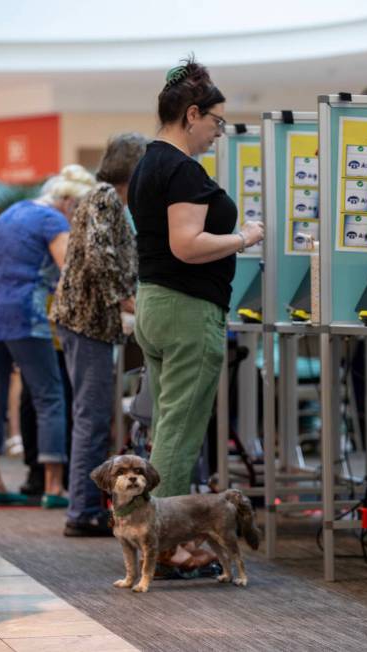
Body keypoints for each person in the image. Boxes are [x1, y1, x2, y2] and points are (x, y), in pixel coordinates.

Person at [128, 57, 264, 570]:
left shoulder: (147, 163)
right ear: (191, 114)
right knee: (179, 437)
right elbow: (187, 245)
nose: (217, 132)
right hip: (186, 311)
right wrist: (244, 237)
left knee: (166, 428)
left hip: (156, 305)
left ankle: (150, 539)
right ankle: (165, 546)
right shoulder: (182, 168)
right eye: (216, 122)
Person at [0, 164, 95, 507]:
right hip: (27, 314)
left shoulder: (10, 213)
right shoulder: (53, 221)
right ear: (68, 201)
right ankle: (54, 487)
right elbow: (69, 271)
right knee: (50, 396)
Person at [51, 133, 146, 537]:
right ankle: (83, 510)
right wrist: (126, 299)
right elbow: (99, 255)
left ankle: (85, 506)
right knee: (91, 417)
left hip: (84, 320)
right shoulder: (105, 197)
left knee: (90, 415)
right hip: (86, 320)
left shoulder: (102, 197)